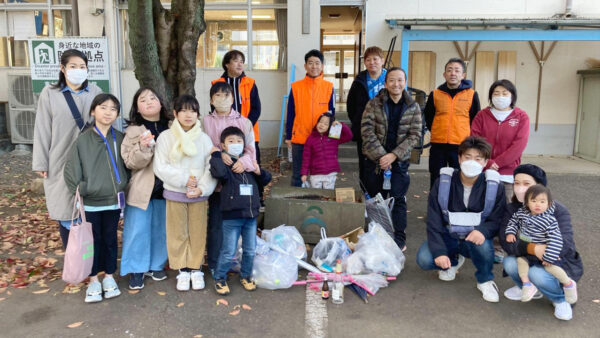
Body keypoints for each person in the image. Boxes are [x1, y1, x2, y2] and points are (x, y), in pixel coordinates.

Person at [416, 136, 506, 303]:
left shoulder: (494, 186)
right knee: (425, 259)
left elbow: (498, 218)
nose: (472, 162)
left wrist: (483, 231)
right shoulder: (443, 182)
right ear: (459, 158)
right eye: (467, 157)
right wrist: (439, 252)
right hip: (448, 235)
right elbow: (434, 219)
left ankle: (485, 280)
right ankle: (453, 260)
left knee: (484, 246)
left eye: (478, 158)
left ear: (485, 162)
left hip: (473, 237)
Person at [32, 49, 103, 249]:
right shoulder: (50, 93)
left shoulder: (96, 92)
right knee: (66, 210)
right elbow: (42, 129)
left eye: (82, 67)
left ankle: (90, 262)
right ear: (63, 69)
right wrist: (41, 162)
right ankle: (74, 260)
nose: (78, 71)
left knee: (90, 213)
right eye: (73, 66)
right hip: (60, 159)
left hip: (91, 162)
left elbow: (108, 122)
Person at [63, 93, 128, 303]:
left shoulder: (120, 137)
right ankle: (93, 280)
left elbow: (129, 165)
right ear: (93, 111)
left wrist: (122, 185)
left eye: (113, 109)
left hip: (113, 200)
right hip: (91, 203)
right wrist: (84, 188)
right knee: (92, 242)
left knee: (110, 239)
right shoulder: (83, 140)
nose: (108, 112)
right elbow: (71, 170)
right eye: (103, 107)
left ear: (117, 114)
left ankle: (109, 276)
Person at [499, 164, 583, 321]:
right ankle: (529, 287)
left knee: (537, 273)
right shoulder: (513, 209)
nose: (520, 188)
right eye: (516, 183)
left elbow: (565, 241)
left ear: (540, 187)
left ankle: (560, 299)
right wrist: (532, 248)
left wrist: (547, 254)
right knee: (509, 263)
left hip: (553, 258)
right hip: (528, 255)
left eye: (526, 184)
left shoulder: (557, 210)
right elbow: (506, 241)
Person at [153, 94, 217, 292]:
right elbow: (160, 166)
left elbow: (210, 167)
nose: (188, 115)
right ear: (175, 113)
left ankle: (196, 268)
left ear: (198, 114)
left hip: (198, 194)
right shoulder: (166, 137)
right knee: (177, 232)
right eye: (184, 110)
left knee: (197, 232)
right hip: (174, 192)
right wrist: (183, 179)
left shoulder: (204, 138)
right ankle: (182, 270)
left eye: (193, 111)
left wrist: (202, 188)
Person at [361, 67, 422, 250]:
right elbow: (367, 131)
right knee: (375, 200)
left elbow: (415, 134)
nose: (396, 84)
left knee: (398, 199)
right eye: (392, 80)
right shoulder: (374, 103)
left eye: (400, 80)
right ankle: (375, 235)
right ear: (386, 83)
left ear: (405, 82)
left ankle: (399, 237)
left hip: (399, 161)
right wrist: (382, 156)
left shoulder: (413, 106)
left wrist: (394, 155)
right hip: (375, 161)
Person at [209, 126, 272, 295]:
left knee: (250, 249)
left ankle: (246, 276)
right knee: (228, 251)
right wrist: (216, 155)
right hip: (231, 216)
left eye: (239, 141)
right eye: (231, 141)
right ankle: (220, 278)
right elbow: (219, 173)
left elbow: (265, 180)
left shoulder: (248, 162)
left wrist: (259, 171)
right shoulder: (224, 163)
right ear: (223, 145)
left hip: (250, 216)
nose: (236, 144)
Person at [203, 82, 257, 276]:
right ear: (211, 100)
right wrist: (218, 154)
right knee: (217, 223)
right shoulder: (205, 122)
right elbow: (202, 146)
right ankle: (214, 263)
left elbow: (251, 149)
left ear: (233, 99)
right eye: (217, 95)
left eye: (226, 95)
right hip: (217, 181)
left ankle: (233, 260)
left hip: (240, 182)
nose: (222, 99)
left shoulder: (244, 121)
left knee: (239, 222)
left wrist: (244, 162)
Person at [119, 87, 171, 290]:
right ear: (137, 108)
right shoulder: (132, 132)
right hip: (142, 189)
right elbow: (131, 163)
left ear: (161, 103)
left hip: (166, 188)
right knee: (137, 230)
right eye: (142, 100)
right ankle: (136, 269)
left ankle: (157, 265)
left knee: (161, 229)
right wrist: (143, 147)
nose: (149, 102)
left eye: (153, 98)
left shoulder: (172, 128)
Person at [505, 184, 578, 303]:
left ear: (548, 204)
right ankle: (527, 284)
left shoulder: (549, 220)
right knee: (520, 261)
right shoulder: (522, 213)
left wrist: (549, 256)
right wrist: (510, 233)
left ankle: (568, 284)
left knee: (551, 268)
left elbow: (556, 239)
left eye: (542, 201)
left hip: (544, 253)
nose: (537, 204)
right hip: (527, 250)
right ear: (527, 202)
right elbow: (513, 221)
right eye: (533, 201)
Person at [424, 58, 481, 188]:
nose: (453, 73)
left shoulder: (471, 95)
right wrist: (438, 131)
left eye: (457, 70)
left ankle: (456, 207)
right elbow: (428, 117)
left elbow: (475, 119)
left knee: (460, 178)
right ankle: (436, 207)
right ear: (444, 74)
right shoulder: (435, 94)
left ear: (463, 75)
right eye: (449, 70)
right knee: (436, 178)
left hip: (461, 146)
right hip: (438, 145)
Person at [471, 79, 529, 201]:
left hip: (507, 173)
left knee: (505, 206)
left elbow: (519, 145)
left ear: (512, 96)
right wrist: (488, 162)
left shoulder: (521, 116)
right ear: (491, 96)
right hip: (483, 169)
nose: (500, 96)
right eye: (496, 93)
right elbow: (474, 141)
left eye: (504, 93)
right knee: (482, 204)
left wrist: (498, 163)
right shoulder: (482, 115)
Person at [285, 49, 335, 187]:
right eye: (310, 63)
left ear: (322, 66)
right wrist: (288, 136)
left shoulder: (329, 87)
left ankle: (317, 202)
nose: (314, 66)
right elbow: (290, 114)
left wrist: (331, 137)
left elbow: (332, 115)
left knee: (319, 174)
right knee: (298, 174)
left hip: (320, 139)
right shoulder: (296, 87)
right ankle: (296, 203)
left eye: (317, 63)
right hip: (300, 138)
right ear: (306, 66)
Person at [211, 50, 262, 163]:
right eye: (236, 61)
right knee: (227, 164)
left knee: (252, 163)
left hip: (247, 131)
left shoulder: (250, 83)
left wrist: (246, 126)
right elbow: (215, 109)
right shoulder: (217, 84)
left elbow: (256, 109)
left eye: (242, 61)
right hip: (225, 133)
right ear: (227, 64)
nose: (240, 64)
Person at [347, 46, 387, 185]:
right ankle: (367, 198)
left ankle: (384, 199)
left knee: (385, 164)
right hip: (364, 131)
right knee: (365, 166)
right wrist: (359, 121)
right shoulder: (359, 81)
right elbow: (351, 105)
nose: (372, 62)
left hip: (387, 131)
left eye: (375, 59)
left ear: (383, 60)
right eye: (368, 59)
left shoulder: (391, 79)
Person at [300, 112, 353, 189]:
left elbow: (349, 136)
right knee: (316, 195)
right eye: (320, 122)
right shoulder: (310, 139)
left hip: (330, 173)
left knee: (328, 195)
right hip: (316, 174)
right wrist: (304, 173)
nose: (322, 125)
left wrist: (341, 125)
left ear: (330, 126)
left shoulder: (333, 137)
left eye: (325, 124)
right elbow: (306, 158)